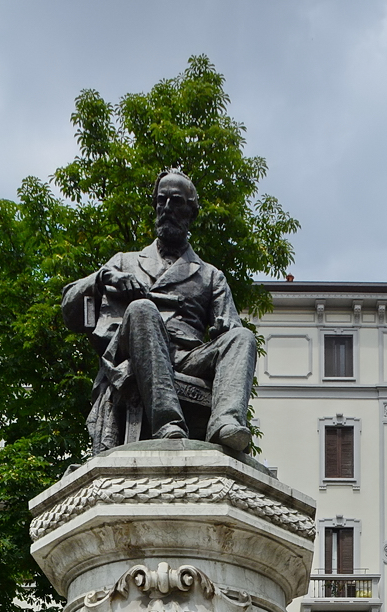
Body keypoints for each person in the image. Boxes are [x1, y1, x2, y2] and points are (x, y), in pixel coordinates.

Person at [62, 169, 257, 456]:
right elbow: (69, 308)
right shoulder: (124, 261)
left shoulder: (210, 275)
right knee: (142, 309)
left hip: (186, 356)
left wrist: (223, 327)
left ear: (191, 212)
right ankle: (167, 423)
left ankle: (225, 423)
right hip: (136, 349)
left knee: (243, 337)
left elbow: (229, 326)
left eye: (176, 202)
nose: (166, 209)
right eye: (161, 201)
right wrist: (103, 278)